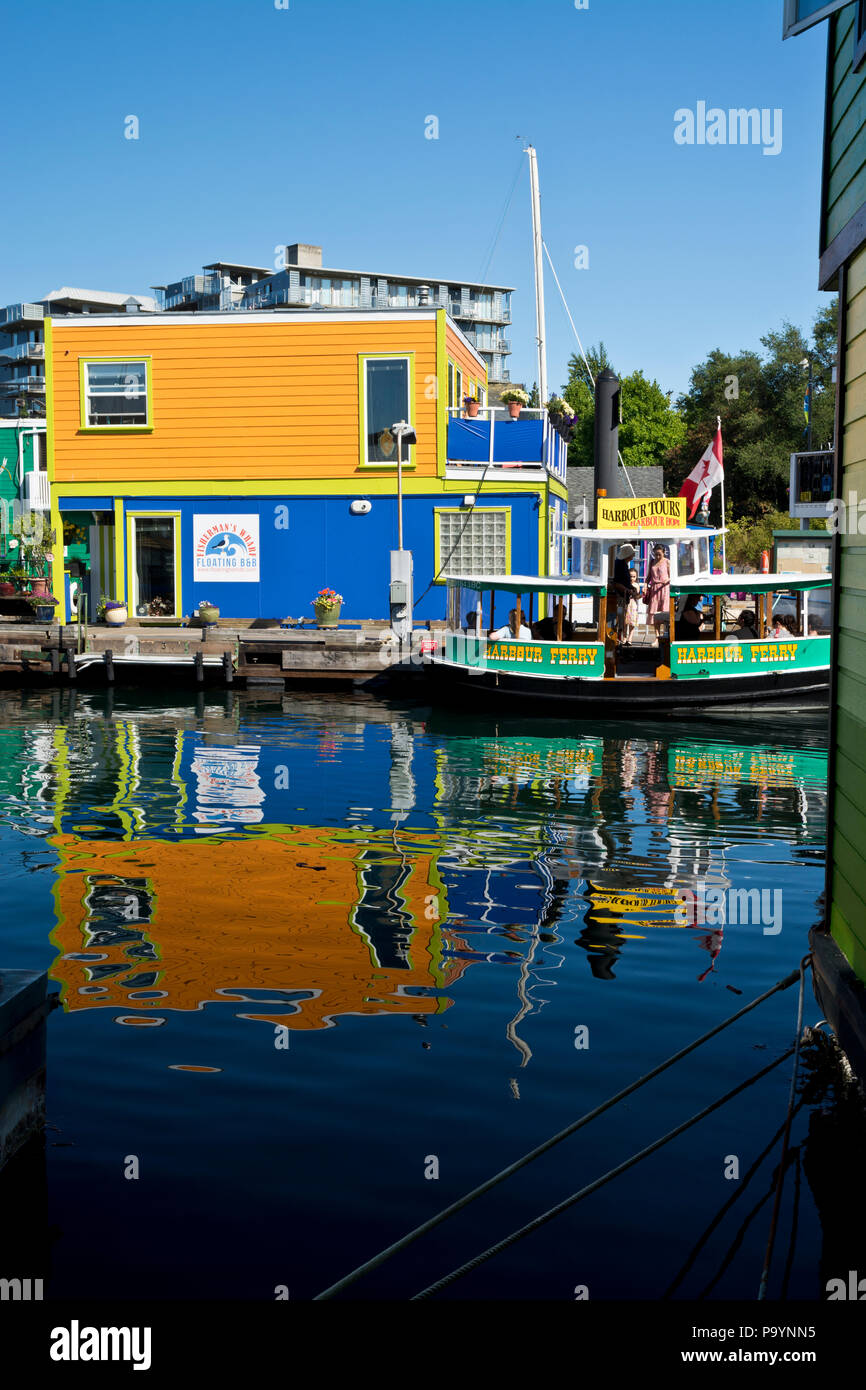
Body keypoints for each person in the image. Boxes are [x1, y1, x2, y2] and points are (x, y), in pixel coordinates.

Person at [612, 543, 639, 639]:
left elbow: (624, 582)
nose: (634, 555)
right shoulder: (620, 565)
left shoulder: (623, 564)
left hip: (624, 596)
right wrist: (628, 590)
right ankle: (618, 638)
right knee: (619, 618)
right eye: (632, 553)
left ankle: (621, 638)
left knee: (622, 618)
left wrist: (631, 588)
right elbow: (617, 582)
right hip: (619, 597)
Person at [623, 568, 640, 645]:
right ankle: (624, 638)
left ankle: (630, 638)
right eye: (630, 576)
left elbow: (636, 595)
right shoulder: (624, 584)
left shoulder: (636, 585)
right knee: (624, 622)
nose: (632, 578)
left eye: (634, 576)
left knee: (632, 623)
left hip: (632, 604)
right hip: (625, 604)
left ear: (636, 577)